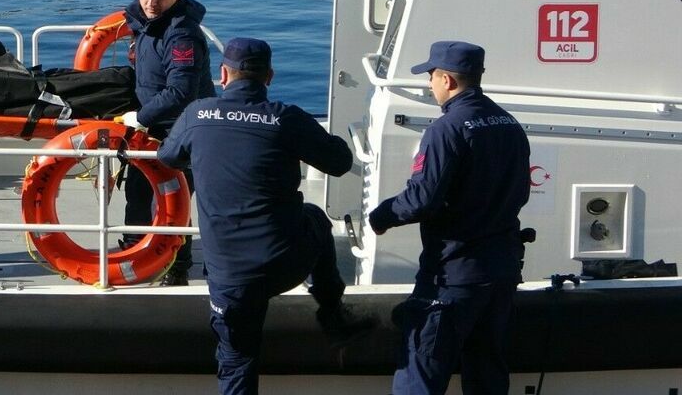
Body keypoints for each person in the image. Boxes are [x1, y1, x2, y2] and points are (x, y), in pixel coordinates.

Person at [158, 37, 373, 395]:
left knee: (237, 361)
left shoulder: (198, 114)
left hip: (229, 276)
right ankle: (333, 316)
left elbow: (168, 156)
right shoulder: (286, 118)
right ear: (269, 77)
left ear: (223, 74)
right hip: (283, 264)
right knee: (316, 219)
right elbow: (340, 162)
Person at [368, 41, 531, 395]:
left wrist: (381, 215)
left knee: (420, 374)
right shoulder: (509, 124)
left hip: (453, 276)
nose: (429, 84)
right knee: (487, 375)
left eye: (431, 76)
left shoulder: (447, 129)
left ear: (448, 80)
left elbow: (422, 199)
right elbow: (521, 193)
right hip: (500, 273)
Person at [119, 0, 214, 286]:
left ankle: (177, 267)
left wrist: (140, 117)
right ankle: (132, 252)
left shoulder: (181, 35)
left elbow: (181, 90)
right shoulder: (144, 23)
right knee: (138, 192)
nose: (151, 1)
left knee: (175, 198)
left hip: (182, 129)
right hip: (149, 127)